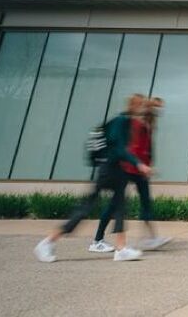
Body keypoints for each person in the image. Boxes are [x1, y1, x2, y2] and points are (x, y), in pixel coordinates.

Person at [34, 95, 151, 262]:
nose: (143, 108)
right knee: (87, 207)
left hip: (115, 168)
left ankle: (121, 249)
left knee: (119, 206)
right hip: (109, 169)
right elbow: (118, 148)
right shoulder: (121, 121)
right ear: (133, 105)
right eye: (141, 105)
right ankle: (48, 242)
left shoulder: (126, 121)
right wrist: (138, 163)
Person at [90, 96, 171, 253]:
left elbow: (148, 148)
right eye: (157, 107)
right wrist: (139, 164)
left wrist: (148, 165)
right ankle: (98, 239)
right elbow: (129, 147)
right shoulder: (134, 123)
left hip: (140, 170)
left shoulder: (149, 123)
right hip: (128, 168)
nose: (160, 110)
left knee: (146, 202)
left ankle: (151, 238)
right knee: (115, 204)